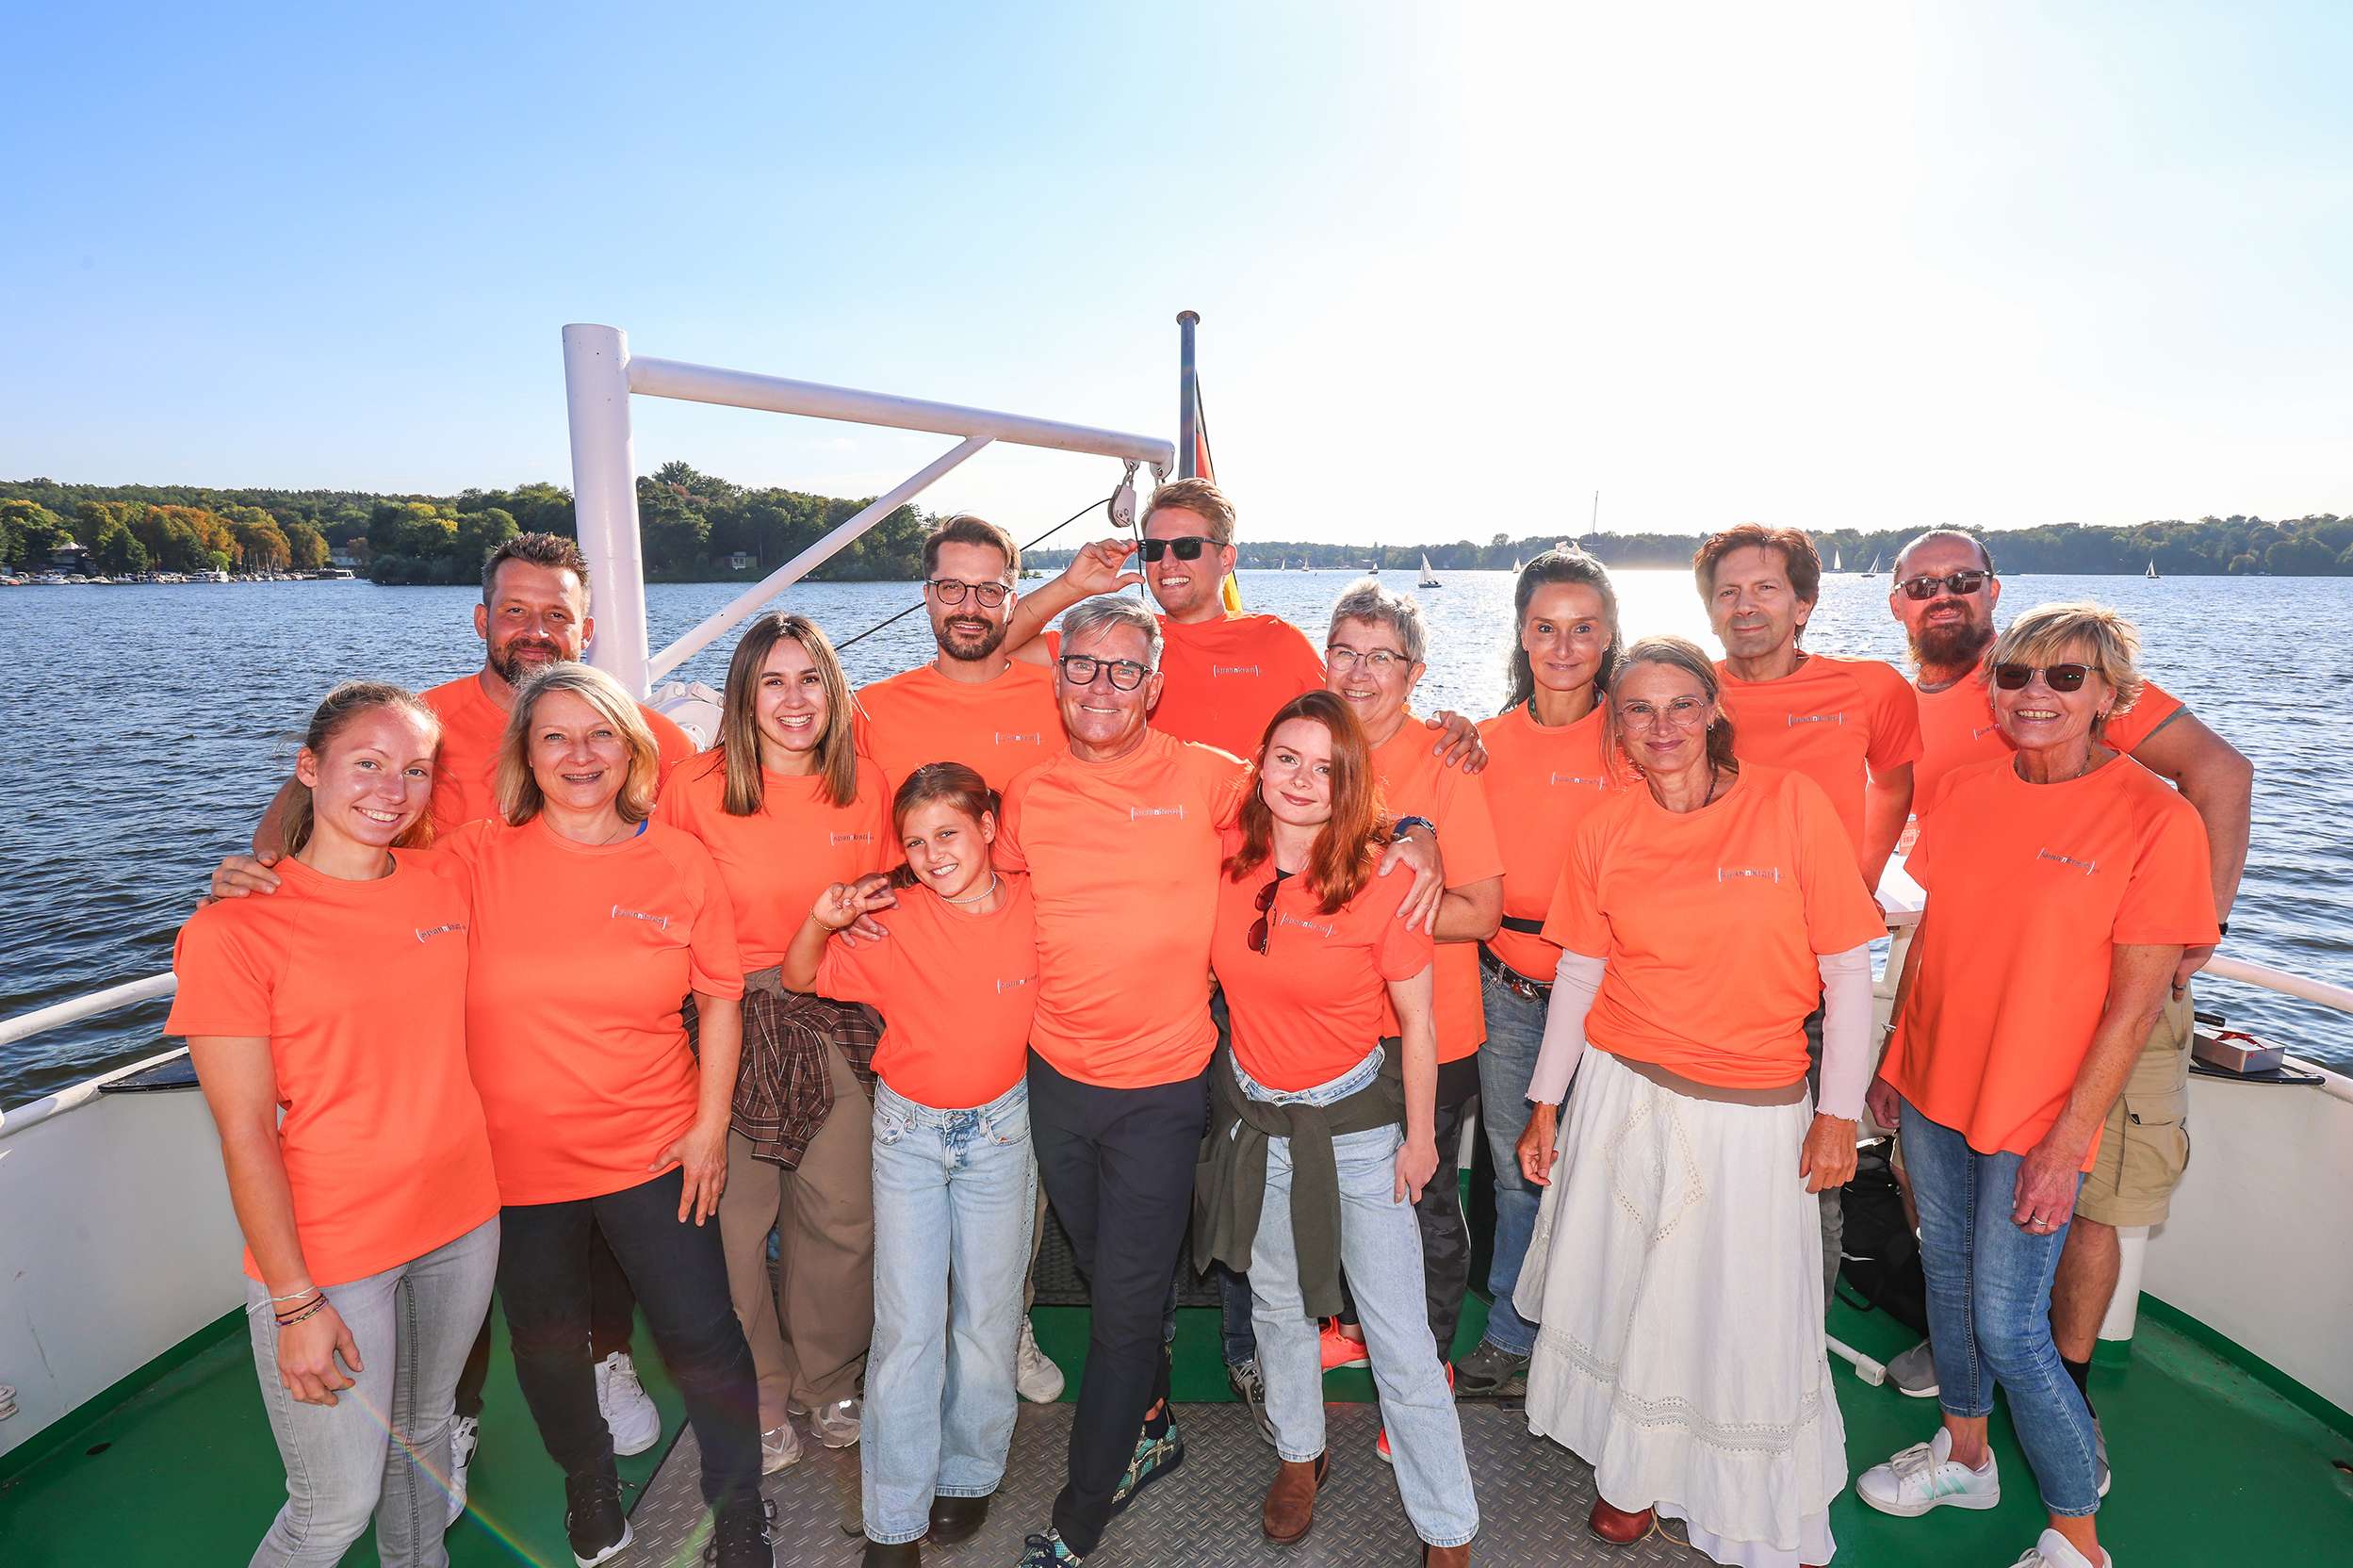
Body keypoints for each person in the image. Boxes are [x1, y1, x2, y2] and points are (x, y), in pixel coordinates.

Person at [989, 596, 1445, 1568]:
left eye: (1124, 668)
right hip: (1056, 1079)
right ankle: (1151, 1422)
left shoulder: (1206, 779)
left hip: (1164, 1091)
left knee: (1123, 1305)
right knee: (1110, 1276)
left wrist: (1419, 830)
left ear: (1154, 685)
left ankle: (1079, 1513)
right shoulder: (1028, 796)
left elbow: (1321, 789)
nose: (1102, 686)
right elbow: (987, 896)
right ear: (1056, 677)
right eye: (1082, 666)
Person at [243, 531, 692, 1509]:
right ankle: (455, 1411)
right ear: (483, 618)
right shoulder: (424, 727)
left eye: (557, 613)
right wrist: (257, 876)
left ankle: (606, 1356)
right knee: (467, 1236)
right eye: (516, 610)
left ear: (587, 627)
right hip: (443, 1026)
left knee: (593, 1219)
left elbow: (696, 848)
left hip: (579, 1028)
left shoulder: (639, 731)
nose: (535, 630)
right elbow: (306, 812)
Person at [1857, 603, 2218, 1568]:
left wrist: (2067, 1142)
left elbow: (2133, 1008)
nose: (2035, 694)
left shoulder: (2155, 818)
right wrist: (1893, 1057)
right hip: (1933, 1085)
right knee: (1945, 1281)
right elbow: (1935, 940)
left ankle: (2076, 1537)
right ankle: (1966, 1457)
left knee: (2012, 1329)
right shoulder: (1965, 791)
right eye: (2016, 674)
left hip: (2036, 1110)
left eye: (2065, 676)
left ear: (2109, 696)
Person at [1514, 636, 1884, 1568]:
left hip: (1751, 1110)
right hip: (1620, 1094)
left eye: (1681, 703)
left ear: (1714, 709)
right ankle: (1631, 1473)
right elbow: (1580, 974)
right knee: (1628, 1290)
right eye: (1639, 709)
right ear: (1616, 724)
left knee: (1738, 1307)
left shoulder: (1789, 805)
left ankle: (1744, 1496)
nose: (1662, 725)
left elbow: (1847, 969)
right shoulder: (1606, 826)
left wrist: (1838, 1113)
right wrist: (1546, 1103)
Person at [1882, 530, 2252, 1432]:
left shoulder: (2059, 669)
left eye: (1961, 579)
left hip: (2108, 987)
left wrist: (2195, 927)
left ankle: (2063, 1391)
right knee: (1929, 1179)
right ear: (1895, 602)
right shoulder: (1911, 705)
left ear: (1991, 588)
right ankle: (1969, 1349)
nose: (1942, 595)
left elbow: (2218, 770)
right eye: (1922, 584)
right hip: (1979, 986)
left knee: (2089, 1195)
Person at [172, 682, 501, 1568]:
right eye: (367, 763)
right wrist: (295, 1301)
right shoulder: (234, 931)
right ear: (309, 769)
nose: (393, 791)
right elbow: (245, 1132)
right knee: (332, 1508)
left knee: (425, 1435)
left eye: (416, 770)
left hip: (463, 1218)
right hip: (333, 1254)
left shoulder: (447, 878)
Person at [450, 663, 767, 1567]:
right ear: (526, 755)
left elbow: (720, 997)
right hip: (519, 1162)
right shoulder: (474, 858)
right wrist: (263, 874)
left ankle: (739, 1506)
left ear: (631, 750)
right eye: (554, 736)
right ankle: (586, 1482)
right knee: (547, 1344)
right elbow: (363, 884)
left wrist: (708, 1129)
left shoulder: (679, 862)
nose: (579, 755)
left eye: (599, 735)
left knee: (702, 1336)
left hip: (654, 1146)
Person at [1193, 691, 1477, 1567]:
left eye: (1325, 767)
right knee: (1277, 1307)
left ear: (1349, 781)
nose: (1302, 779)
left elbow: (1418, 1024)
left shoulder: (1386, 879)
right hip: (1257, 1127)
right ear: (1259, 765)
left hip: (1355, 1136)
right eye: (1287, 758)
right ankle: (1298, 1454)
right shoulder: (1219, 861)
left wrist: (1421, 1140)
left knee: (1398, 1335)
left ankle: (1447, 1526)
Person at [779, 764, 1040, 1567]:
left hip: (1002, 1135)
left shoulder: (1035, 905)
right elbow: (799, 976)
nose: (932, 855)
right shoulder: (891, 921)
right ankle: (892, 1519)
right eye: (916, 842)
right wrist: (823, 920)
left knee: (988, 1318)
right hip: (909, 1138)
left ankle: (968, 1473)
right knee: (906, 1330)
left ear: (988, 828)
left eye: (948, 834)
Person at [657, 612, 891, 1469]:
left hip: (834, 1010)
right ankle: (756, 1385)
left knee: (843, 1213)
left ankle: (827, 1376)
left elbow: (891, 892)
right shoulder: (692, 787)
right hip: (727, 1015)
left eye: (810, 680)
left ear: (833, 689)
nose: (794, 701)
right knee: (733, 1218)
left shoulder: (866, 784)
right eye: (772, 683)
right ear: (743, 696)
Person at [853, 514, 1069, 1406]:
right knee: (913, 1199)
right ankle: (921, 1349)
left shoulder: (1057, 692)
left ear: (1013, 598)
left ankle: (1006, 1325)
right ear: (926, 594)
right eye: (952, 587)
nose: (969, 605)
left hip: (1034, 970)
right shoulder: (875, 708)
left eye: (989, 589)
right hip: (919, 973)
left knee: (1017, 1191)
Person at [1694, 522, 1917, 1307]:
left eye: (1764, 588)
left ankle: (1800, 1347)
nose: (1744, 606)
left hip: (1816, 978)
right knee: (1703, 1159)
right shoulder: (1684, 695)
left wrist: (1858, 881)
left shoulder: (1868, 689)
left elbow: (1893, 783)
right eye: (1727, 592)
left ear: (1803, 604)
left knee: (1814, 1166)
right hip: (1699, 974)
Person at [1321, 580, 1503, 1431]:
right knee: (1340, 1191)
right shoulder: (1307, 748)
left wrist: (1361, 911)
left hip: (1428, 1030)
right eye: (1344, 652)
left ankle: (1428, 1366)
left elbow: (1480, 912)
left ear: (1414, 673)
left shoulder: (1446, 759)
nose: (1359, 673)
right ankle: (1355, 1330)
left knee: (1422, 1198)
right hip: (1329, 1028)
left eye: (1380, 657)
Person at [1456, 549, 1625, 1400]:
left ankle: (1604, 1351)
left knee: (1617, 1182)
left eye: (1582, 628)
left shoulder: (1637, 738)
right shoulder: (1480, 746)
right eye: (1545, 628)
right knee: (1520, 1173)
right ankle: (1511, 1336)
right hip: (1511, 994)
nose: (1562, 647)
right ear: (1521, 636)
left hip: (1621, 999)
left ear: (1608, 636)